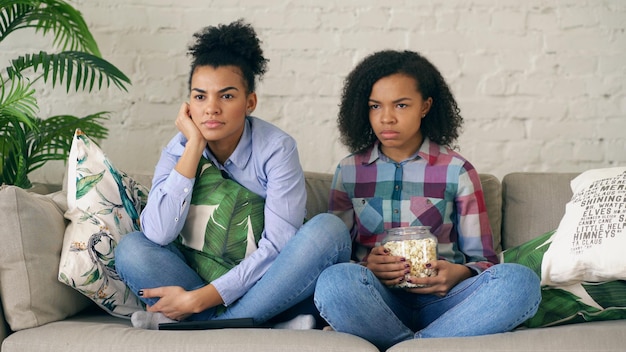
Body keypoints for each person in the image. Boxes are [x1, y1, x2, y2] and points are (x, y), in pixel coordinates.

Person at [114, 19, 351, 330]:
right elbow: (158, 233)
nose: (211, 108)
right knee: (132, 250)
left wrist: (198, 300)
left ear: (249, 102)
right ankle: (259, 324)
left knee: (329, 231)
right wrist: (194, 147)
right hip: (201, 276)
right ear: (189, 105)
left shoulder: (277, 149)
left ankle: (213, 323)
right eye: (200, 97)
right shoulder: (180, 148)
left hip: (271, 284)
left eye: (226, 96)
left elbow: (279, 247)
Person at [313, 50, 541, 350]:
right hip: (378, 302)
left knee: (520, 281)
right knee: (333, 281)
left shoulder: (457, 170)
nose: (386, 117)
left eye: (401, 105)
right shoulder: (349, 171)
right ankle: (430, 345)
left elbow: (483, 260)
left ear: (425, 106)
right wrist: (369, 266)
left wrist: (457, 273)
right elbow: (341, 258)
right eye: (375, 106)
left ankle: (410, 346)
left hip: (448, 302)